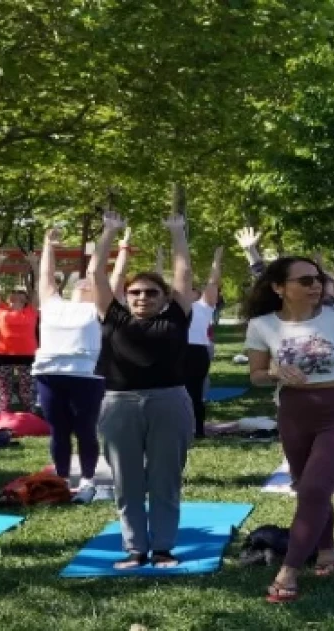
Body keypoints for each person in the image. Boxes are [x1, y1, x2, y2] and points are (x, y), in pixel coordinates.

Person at [241, 256, 334, 603]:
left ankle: (290, 571)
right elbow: (256, 375)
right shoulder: (262, 325)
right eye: (305, 281)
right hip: (294, 413)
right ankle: (327, 551)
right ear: (279, 288)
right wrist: (276, 373)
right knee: (306, 486)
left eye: (317, 279)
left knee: (314, 486)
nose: (315, 286)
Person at [90, 210, 196, 570]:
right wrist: (108, 234)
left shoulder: (176, 316)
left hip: (170, 401)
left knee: (166, 478)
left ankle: (163, 547)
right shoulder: (114, 315)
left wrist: (178, 233)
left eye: (151, 292)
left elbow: (183, 272)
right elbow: (96, 275)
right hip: (120, 403)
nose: (142, 297)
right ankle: (135, 548)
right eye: (135, 292)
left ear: (164, 297)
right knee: (126, 479)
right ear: (126, 295)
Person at [32, 227, 106, 505]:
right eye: (81, 281)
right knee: (58, 430)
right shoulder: (52, 304)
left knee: (85, 429)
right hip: (49, 375)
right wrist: (48, 245)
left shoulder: (96, 309)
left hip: (85, 377)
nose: (85, 283)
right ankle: (61, 480)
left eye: (91, 283)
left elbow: (100, 274)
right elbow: (46, 276)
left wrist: (110, 238)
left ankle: (88, 481)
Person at [0, 253, 40, 413]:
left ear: (25, 299)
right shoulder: (1, 308)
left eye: (20, 293)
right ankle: (3, 419)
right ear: (9, 298)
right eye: (13, 293)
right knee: (4, 394)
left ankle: (31, 419)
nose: (16, 293)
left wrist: (34, 264)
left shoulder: (31, 310)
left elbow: (39, 285)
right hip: (3, 355)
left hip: (27, 356)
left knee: (27, 392)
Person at [183, 247, 224, 438]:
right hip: (173, 352)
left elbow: (213, 282)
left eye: (191, 289)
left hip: (196, 352)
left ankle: (198, 430)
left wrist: (216, 261)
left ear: (197, 294)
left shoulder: (204, 306)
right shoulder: (169, 307)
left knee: (195, 393)